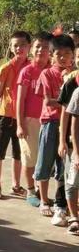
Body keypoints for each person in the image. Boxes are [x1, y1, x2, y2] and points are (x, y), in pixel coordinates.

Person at [0, 31, 31, 199]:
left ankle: (16, 185)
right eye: (15, 45)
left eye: (23, 45)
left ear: (29, 47)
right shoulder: (6, 68)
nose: (19, 48)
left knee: (19, 154)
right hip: (6, 116)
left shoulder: (31, 68)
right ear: (11, 48)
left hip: (22, 118)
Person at [35, 34, 75, 224]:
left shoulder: (75, 75)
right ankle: (44, 201)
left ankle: (61, 205)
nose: (63, 58)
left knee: (64, 167)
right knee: (45, 161)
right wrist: (66, 102)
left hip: (69, 127)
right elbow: (48, 101)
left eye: (67, 53)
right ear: (52, 55)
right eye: (59, 54)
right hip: (51, 123)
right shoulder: (47, 74)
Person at [16, 32, 53, 207]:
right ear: (32, 49)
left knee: (43, 158)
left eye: (45, 47)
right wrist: (20, 124)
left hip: (48, 121)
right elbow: (20, 100)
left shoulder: (53, 71)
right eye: (38, 46)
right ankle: (30, 191)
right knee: (30, 158)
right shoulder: (27, 71)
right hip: (29, 121)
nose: (41, 50)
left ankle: (41, 190)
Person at [59, 45, 79, 233]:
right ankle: (73, 216)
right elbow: (66, 115)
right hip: (73, 142)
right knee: (72, 179)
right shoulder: (71, 84)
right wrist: (62, 141)